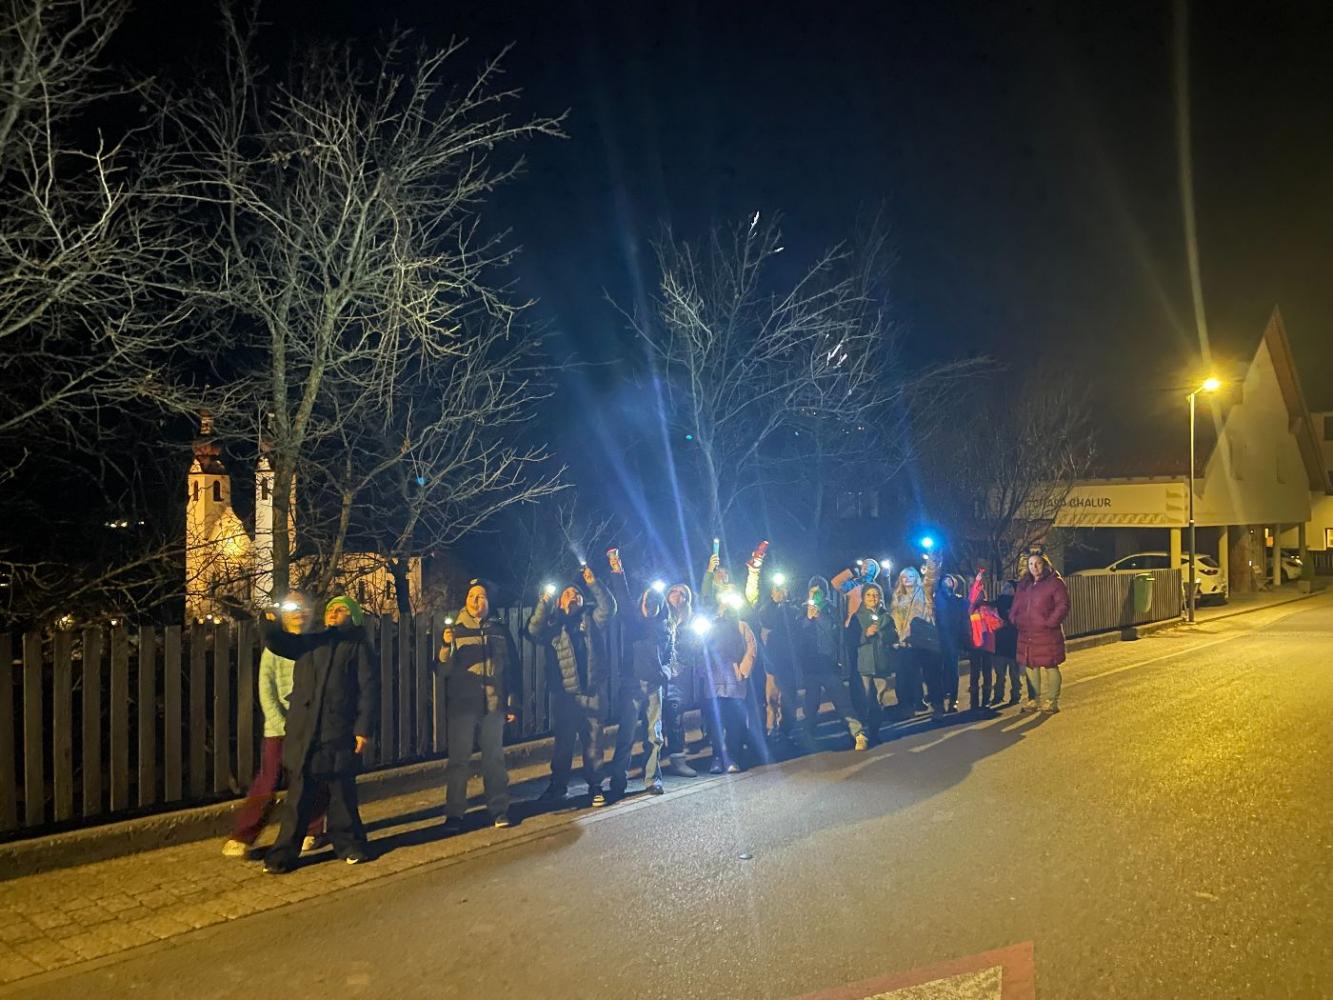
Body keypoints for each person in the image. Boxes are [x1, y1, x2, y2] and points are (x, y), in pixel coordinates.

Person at [261, 595, 378, 875]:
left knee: (342, 795)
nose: (334, 613)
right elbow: (279, 643)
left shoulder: (358, 646)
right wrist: (269, 623)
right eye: (330, 609)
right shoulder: (312, 641)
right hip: (306, 732)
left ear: (353, 616)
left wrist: (362, 729)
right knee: (298, 798)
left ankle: (349, 845)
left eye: (341, 609)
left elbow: (368, 690)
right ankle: (283, 854)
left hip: (339, 731)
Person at [223, 593, 328, 858]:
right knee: (268, 779)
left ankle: (312, 830)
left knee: (311, 776)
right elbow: (266, 690)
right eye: (292, 607)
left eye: (302, 607)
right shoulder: (274, 647)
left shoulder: (315, 644)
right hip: (278, 727)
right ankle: (244, 834)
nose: (298, 612)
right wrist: (280, 722)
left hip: (308, 724)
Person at [525, 564, 618, 805]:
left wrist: (593, 583)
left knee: (593, 743)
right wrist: (544, 601)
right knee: (563, 744)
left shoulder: (592, 619)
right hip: (565, 695)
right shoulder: (554, 627)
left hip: (592, 692)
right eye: (566, 594)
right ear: (559, 603)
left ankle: (595, 786)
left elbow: (609, 608)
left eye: (576, 593)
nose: (572, 596)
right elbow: (533, 629)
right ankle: (558, 786)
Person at [439, 579, 520, 832]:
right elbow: (441, 670)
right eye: (472, 596)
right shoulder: (456, 631)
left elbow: (512, 669)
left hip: (493, 705)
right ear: (465, 601)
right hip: (462, 706)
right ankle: (454, 813)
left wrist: (512, 704)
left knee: (494, 759)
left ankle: (499, 809)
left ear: (488, 601)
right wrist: (445, 646)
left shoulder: (500, 630)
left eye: (481, 596)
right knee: (458, 761)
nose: (476, 601)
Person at [607, 555, 670, 799]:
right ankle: (618, 780)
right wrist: (617, 568)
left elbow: (673, 655)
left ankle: (653, 779)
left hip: (655, 686)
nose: (651, 605)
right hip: (632, 684)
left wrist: (667, 672)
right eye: (647, 601)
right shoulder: (633, 622)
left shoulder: (665, 627)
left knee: (655, 736)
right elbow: (622, 597)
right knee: (626, 734)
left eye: (655, 602)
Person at [801, 576, 865, 749]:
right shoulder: (801, 610)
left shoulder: (831, 610)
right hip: (811, 665)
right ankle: (807, 736)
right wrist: (808, 618)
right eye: (813, 592)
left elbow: (836, 632)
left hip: (829, 664)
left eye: (819, 592)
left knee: (842, 700)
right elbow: (797, 635)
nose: (816, 595)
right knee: (810, 704)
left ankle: (857, 732)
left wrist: (820, 616)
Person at [756, 575, 816, 753]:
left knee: (789, 698)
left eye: (783, 589)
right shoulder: (766, 610)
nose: (781, 592)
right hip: (772, 661)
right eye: (777, 590)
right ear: (771, 593)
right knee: (772, 698)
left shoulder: (793, 610)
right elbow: (767, 625)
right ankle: (771, 730)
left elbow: (799, 629)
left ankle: (787, 731)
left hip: (789, 661)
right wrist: (777, 605)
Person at [699, 590, 757, 773]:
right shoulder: (709, 625)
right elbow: (700, 650)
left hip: (734, 681)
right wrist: (703, 671)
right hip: (713, 681)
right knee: (715, 722)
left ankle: (733, 757)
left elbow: (751, 648)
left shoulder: (741, 626)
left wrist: (743, 670)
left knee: (734, 722)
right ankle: (717, 756)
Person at [1010, 552, 1071, 714]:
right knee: (1030, 665)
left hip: (1046, 632)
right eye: (1031, 564)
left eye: (1037, 563)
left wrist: (1049, 622)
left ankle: (1052, 701)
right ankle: (1033, 700)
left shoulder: (1054, 582)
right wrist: (1014, 618)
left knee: (1050, 665)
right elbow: (1016, 604)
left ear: (1044, 564)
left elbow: (1063, 605)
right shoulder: (1024, 584)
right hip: (1026, 632)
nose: (1034, 567)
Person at [888, 556, 939, 718]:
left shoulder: (924, 591)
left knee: (931, 675)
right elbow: (894, 619)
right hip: (906, 641)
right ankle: (909, 705)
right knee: (906, 676)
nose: (907, 579)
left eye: (910, 576)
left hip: (924, 639)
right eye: (904, 577)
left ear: (916, 577)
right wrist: (897, 638)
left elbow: (931, 577)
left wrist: (932, 559)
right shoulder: (898, 598)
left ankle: (937, 706)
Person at [661, 583, 701, 777]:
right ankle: (651, 761)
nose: (677, 595)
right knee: (654, 718)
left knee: (675, 716)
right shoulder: (659, 617)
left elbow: (695, 649)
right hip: (658, 674)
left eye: (682, 593)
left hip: (678, 676)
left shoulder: (691, 622)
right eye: (674, 591)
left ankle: (678, 760)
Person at [853, 582, 893, 744]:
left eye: (875, 595)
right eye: (869, 595)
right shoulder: (857, 617)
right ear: (863, 597)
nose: (872, 598)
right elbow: (851, 639)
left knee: (878, 698)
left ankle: (875, 730)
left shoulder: (886, 616)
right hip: (865, 664)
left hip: (881, 663)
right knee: (865, 698)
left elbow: (892, 637)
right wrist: (865, 634)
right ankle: (862, 730)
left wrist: (882, 634)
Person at [966, 569, 1002, 711]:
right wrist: (977, 581)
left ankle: (985, 700)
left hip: (987, 645)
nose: (979, 596)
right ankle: (974, 702)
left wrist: (990, 618)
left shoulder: (990, 608)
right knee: (974, 674)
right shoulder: (971, 609)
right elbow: (972, 597)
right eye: (978, 593)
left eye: (982, 593)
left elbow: (998, 624)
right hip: (975, 645)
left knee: (987, 674)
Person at [934, 573, 967, 714]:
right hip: (938, 639)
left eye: (950, 580)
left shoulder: (958, 600)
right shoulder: (935, 599)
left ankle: (953, 700)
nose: (947, 582)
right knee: (938, 671)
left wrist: (963, 640)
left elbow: (963, 621)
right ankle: (939, 700)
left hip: (952, 640)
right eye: (945, 579)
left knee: (953, 671)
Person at [989, 580, 1022, 706]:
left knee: (1014, 674)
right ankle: (998, 695)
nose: (1007, 589)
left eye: (1010, 587)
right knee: (1000, 674)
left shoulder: (1019, 604)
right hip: (1000, 645)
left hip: (1014, 644)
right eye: (1005, 586)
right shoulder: (997, 604)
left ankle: (1015, 695)